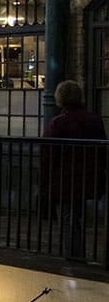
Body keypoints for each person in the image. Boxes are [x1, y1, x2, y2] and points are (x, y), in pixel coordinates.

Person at [41, 80, 106, 260]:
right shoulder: (94, 120)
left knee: (68, 218)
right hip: (88, 175)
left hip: (65, 178)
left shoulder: (59, 123)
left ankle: (73, 256)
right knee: (76, 216)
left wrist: (46, 182)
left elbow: (49, 153)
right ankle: (78, 254)